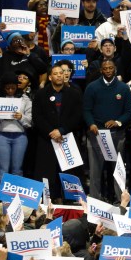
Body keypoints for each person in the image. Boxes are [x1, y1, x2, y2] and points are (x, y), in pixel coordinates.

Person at [82, 59, 131, 201]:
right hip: (96, 133)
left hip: (117, 134)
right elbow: (86, 110)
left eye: (111, 68)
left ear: (115, 69)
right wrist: (91, 124)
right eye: (105, 68)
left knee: (118, 169)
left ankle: (121, 200)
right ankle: (95, 199)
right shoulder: (92, 87)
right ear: (101, 70)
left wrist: (117, 122)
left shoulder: (123, 88)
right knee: (95, 170)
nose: (108, 70)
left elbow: (129, 112)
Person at [32, 65, 83, 200]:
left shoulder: (74, 93)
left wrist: (61, 131)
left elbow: (77, 116)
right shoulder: (41, 94)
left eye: (62, 73)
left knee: (69, 172)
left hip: (67, 138)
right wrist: (51, 132)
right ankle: (47, 201)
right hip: (47, 139)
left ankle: (69, 200)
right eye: (56, 73)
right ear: (50, 77)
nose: (60, 75)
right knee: (47, 171)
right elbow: (37, 117)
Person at [0, 74, 32, 181]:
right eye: (7, 88)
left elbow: (30, 122)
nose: (10, 90)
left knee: (17, 169)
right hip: (2, 135)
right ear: (3, 87)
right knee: (3, 169)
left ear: (17, 86)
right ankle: (2, 192)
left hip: (20, 136)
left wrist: (21, 117)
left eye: (13, 88)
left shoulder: (25, 99)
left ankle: (16, 191)